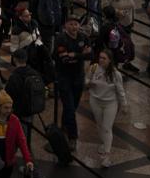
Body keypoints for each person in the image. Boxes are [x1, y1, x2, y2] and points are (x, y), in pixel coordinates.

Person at [86, 47, 127, 167]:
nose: (101, 60)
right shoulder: (94, 68)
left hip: (110, 104)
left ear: (110, 60)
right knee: (99, 125)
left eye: (104, 58)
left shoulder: (115, 74)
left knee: (107, 127)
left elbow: (120, 90)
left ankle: (106, 156)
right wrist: (89, 83)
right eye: (100, 57)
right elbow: (86, 79)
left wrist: (124, 104)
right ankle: (104, 143)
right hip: (95, 101)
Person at [51, 16, 88, 146]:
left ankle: (64, 126)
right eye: (71, 24)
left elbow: (90, 54)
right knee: (70, 108)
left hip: (78, 77)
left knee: (72, 106)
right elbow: (64, 59)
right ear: (66, 26)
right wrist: (80, 55)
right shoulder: (61, 39)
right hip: (64, 77)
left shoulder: (83, 37)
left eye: (76, 24)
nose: (74, 27)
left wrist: (75, 55)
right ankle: (73, 137)